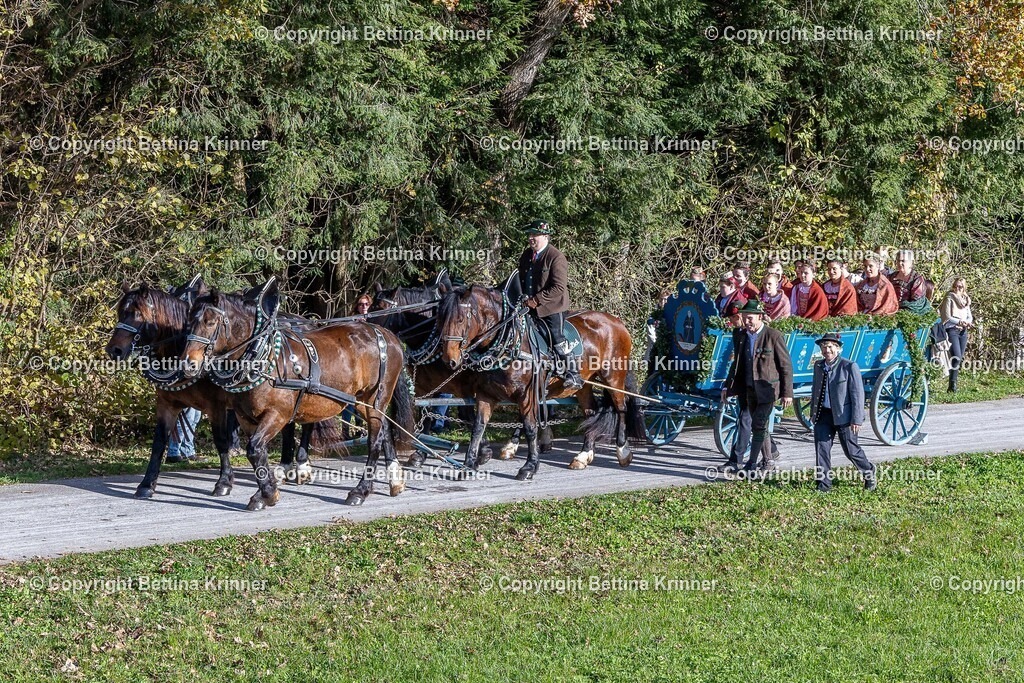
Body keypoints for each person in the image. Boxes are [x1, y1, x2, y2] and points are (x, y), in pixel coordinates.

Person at [719, 300, 794, 475]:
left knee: (759, 424)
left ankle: (756, 463)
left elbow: (786, 366)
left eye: (750, 318)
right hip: (747, 389)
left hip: (767, 390)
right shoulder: (741, 335)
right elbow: (735, 365)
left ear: (760, 317)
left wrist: (787, 393)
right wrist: (727, 387)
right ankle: (767, 458)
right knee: (757, 425)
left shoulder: (773, 336)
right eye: (744, 318)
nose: (747, 322)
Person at [518, 219, 583, 389]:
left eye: (535, 235)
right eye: (529, 235)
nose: (531, 238)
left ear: (545, 236)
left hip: (552, 307)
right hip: (528, 307)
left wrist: (536, 300)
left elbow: (558, 287)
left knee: (557, 338)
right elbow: (520, 280)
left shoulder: (556, 257)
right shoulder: (526, 255)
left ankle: (574, 374)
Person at [810, 333, 877, 492]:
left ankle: (868, 472)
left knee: (851, 450)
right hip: (823, 414)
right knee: (822, 449)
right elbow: (815, 391)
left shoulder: (848, 366)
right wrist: (813, 413)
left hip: (844, 416)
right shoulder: (818, 366)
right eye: (824, 347)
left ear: (838, 349)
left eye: (831, 347)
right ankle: (824, 485)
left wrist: (857, 419)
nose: (827, 350)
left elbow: (857, 394)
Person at [939, 278, 974, 393]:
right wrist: (959, 322)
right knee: (956, 356)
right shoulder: (949, 297)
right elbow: (947, 316)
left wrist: (968, 322)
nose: (958, 288)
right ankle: (952, 384)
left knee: (958, 359)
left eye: (960, 287)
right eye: (956, 286)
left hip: (963, 330)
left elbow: (969, 315)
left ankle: (952, 384)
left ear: (964, 288)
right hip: (952, 329)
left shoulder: (966, 300)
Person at [644, 289, 672, 363]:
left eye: (665, 300)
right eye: (661, 299)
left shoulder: (673, 314)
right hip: (654, 349)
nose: (663, 302)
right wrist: (658, 344)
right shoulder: (654, 314)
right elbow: (650, 332)